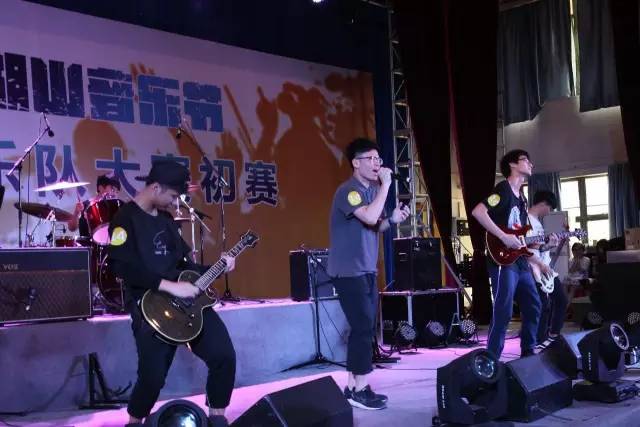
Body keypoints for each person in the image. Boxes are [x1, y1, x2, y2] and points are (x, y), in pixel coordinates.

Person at [107, 160, 236, 427]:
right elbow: (120, 266)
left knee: (223, 355)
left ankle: (217, 418)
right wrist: (168, 285)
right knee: (152, 377)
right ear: (156, 187)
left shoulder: (167, 221)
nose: (175, 202)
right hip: (150, 304)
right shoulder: (124, 218)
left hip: (187, 302)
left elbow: (185, 266)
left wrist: (218, 266)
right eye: (173, 196)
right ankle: (134, 421)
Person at [328, 138, 410, 410]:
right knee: (363, 327)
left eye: (378, 159)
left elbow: (376, 225)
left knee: (362, 328)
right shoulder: (348, 191)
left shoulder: (372, 191)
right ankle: (361, 390)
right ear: (356, 163)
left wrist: (392, 220)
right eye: (371, 159)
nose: (377, 164)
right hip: (348, 271)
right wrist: (385, 186)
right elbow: (369, 217)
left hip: (366, 269)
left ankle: (353, 386)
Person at [471, 149, 541, 358]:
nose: (530, 164)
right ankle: (491, 357)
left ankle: (528, 351)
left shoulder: (523, 198)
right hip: (502, 259)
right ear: (512, 164)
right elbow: (478, 211)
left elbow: (520, 235)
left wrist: (540, 244)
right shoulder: (502, 190)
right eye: (525, 160)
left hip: (519, 260)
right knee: (504, 309)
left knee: (533, 304)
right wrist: (503, 236)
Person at [525, 191, 567, 350]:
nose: (549, 212)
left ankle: (553, 336)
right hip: (534, 267)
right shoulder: (526, 219)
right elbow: (524, 248)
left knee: (560, 299)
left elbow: (537, 247)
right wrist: (540, 265)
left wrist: (549, 245)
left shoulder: (537, 222)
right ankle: (538, 341)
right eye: (550, 208)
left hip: (545, 267)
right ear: (543, 203)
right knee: (542, 305)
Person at [68, 174, 121, 239]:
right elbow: (71, 228)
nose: (115, 194)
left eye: (117, 192)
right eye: (112, 189)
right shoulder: (85, 205)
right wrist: (76, 213)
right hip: (88, 244)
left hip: (112, 243)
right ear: (101, 188)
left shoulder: (116, 208)